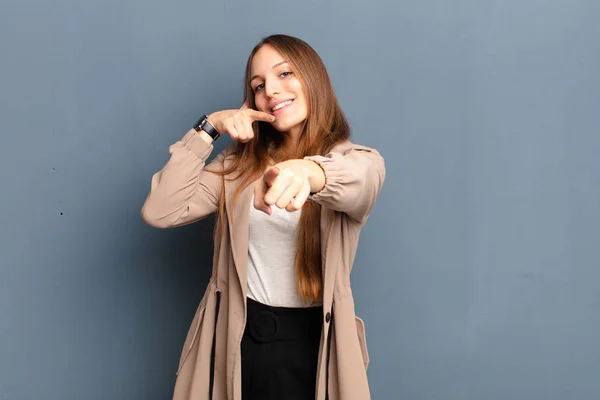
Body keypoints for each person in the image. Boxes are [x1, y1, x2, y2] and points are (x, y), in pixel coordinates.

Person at [141, 34, 386, 400]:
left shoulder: (357, 161)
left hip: (316, 348)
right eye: (259, 85)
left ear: (313, 78)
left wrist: (308, 173)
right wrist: (209, 128)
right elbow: (160, 210)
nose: (271, 90)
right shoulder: (237, 167)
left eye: (284, 73)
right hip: (240, 342)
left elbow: (359, 182)